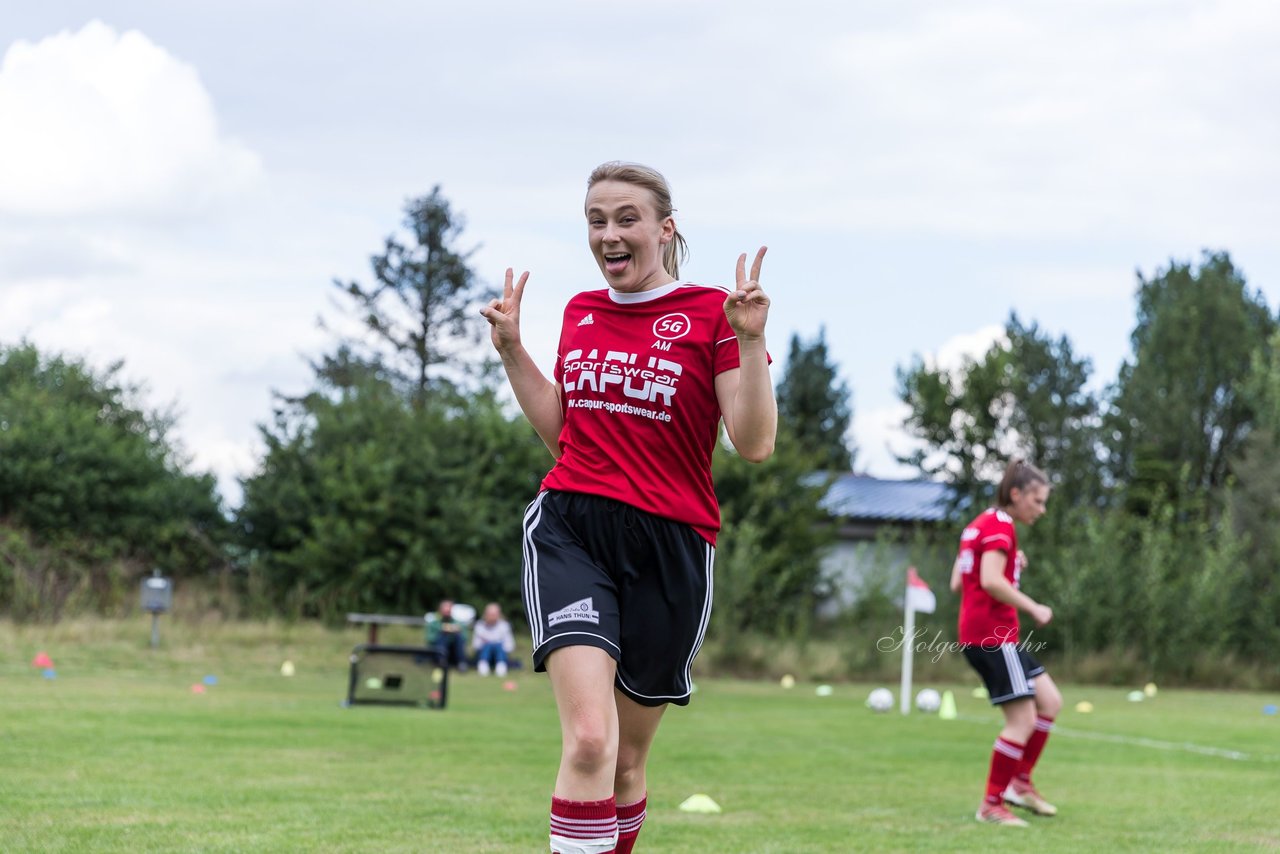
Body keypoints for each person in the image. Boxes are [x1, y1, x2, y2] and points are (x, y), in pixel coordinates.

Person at [481, 161, 776, 854]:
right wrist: (511, 351)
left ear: (664, 229)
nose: (609, 234)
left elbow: (755, 443)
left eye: (625, 219)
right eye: (596, 221)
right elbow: (564, 432)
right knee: (588, 740)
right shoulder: (582, 310)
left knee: (624, 764)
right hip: (572, 528)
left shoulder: (714, 314)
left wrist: (754, 340)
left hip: (672, 546)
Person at [949, 459, 1063, 827]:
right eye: (1038, 501)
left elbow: (959, 582)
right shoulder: (1000, 526)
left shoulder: (978, 525)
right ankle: (991, 804)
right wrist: (1034, 607)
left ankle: (1020, 782)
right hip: (993, 636)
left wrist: (1012, 563)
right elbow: (990, 581)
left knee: (1050, 702)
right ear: (1016, 494)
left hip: (986, 634)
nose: (1041, 510)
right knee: (1022, 720)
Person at [472, 602, 516, 677]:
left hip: (500, 654)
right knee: (488, 646)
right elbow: (476, 645)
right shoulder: (479, 626)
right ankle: (483, 668)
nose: (492, 617)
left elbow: (510, 646)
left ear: (498, 614)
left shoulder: (505, 626)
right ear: (486, 614)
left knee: (497, 646)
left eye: (494, 614)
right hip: (484, 654)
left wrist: (497, 646)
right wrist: (488, 644)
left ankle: (500, 668)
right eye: (490, 614)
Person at [426, 599, 469, 672]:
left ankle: (461, 663)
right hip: (437, 651)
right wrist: (441, 631)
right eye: (445, 611)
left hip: (454, 651)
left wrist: (457, 632)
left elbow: (465, 638)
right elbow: (429, 639)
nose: (447, 613)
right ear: (440, 610)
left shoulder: (458, 623)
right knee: (442, 636)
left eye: (449, 611)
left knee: (458, 637)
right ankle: (441, 661)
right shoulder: (433, 623)